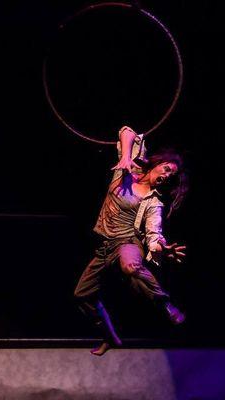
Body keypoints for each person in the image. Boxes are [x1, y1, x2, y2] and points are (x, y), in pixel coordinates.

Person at [74, 125, 188, 356]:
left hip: (127, 242)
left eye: (171, 175)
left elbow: (153, 232)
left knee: (130, 265)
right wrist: (125, 157)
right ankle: (110, 337)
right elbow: (126, 131)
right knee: (82, 295)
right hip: (103, 247)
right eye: (166, 168)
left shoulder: (154, 202)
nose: (167, 175)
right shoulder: (126, 171)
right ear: (156, 164)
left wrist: (160, 247)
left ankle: (164, 303)